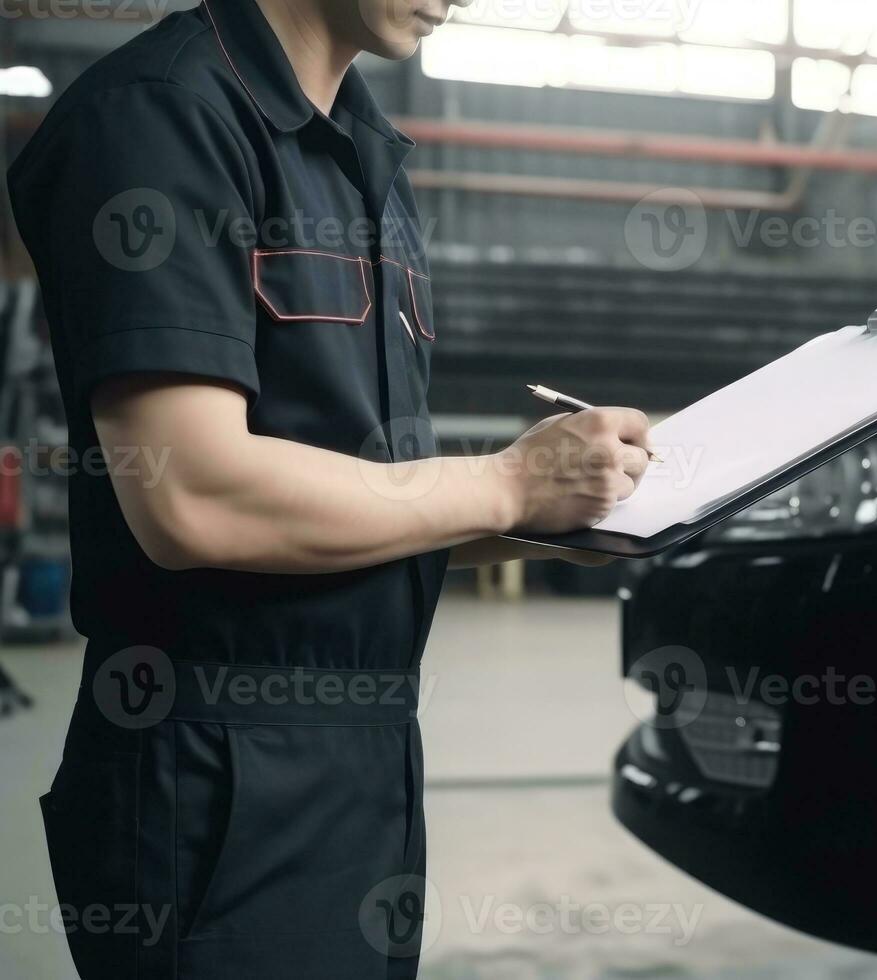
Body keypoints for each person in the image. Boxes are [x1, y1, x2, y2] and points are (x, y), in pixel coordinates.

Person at [5, 1, 651, 976]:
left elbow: (384, 506)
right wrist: (508, 481)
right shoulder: (160, 116)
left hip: (370, 764)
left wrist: (597, 509)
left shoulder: (364, 154)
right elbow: (193, 497)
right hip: (216, 772)